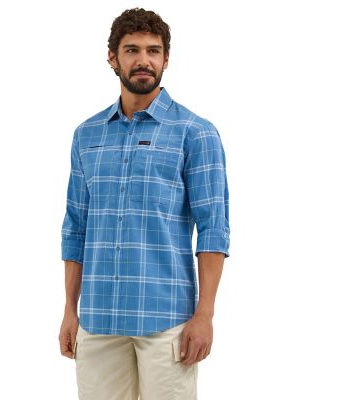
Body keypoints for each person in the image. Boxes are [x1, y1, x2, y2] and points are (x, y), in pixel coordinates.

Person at [58, 7, 230, 400]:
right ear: (112, 58)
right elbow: (75, 228)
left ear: (166, 60)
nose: (143, 60)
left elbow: (213, 228)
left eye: (153, 51)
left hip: (167, 321)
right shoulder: (86, 135)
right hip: (98, 321)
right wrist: (70, 309)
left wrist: (205, 314)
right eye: (132, 50)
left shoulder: (195, 133)